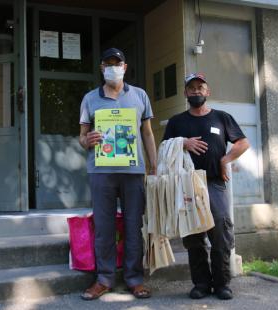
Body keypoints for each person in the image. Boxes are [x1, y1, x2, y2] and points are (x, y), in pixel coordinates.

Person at [162, 72, 249, 300]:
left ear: (207, 91)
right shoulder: (176, 122)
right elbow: (164, 151)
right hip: (187, 185)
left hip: (214, 184)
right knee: (193, 237)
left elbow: (243, 142)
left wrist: (225, 160)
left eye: (200, 87)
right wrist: (183, 142)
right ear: (185, 93)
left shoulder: (222, 118)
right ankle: (201, 283)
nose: (196, 91)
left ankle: (222, 284)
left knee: (219, 232)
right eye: (192, 88)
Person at [79, 48, 157, 300]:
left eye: (118, 63)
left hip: (133, 171)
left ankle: (135, 279)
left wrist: (153, 164)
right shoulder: (90, 98)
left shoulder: (140, 95)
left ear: (125, 67)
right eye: (108, 63)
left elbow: (147, 132)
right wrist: (87, 139)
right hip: (101, 171)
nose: (113, 67)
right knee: (104, 226)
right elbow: (82, 137)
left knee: (134, 225)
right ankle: (104, 279)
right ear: (102, 67)